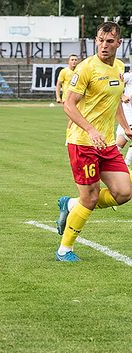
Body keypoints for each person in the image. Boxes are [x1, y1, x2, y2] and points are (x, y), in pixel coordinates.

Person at [55, 21, 132, 262]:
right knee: (91, 197)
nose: (104, 45)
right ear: (95, 41)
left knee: (124, 192)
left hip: (107, 143)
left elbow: (116, 100)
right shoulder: (86, 68)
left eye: (110, 41)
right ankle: (64, 250)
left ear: (119, 43)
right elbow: (69, 104)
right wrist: (90, 130)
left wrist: (127, 129)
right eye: (100, 40)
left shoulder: (119, 67)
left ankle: (71, 205)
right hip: (83, 143)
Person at [114, 71, 132, 164]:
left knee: (119, 144)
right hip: (127, 116)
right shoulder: (129, 76)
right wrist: (122, 95)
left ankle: (125, 165)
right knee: (119, 144)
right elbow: (113, 84)